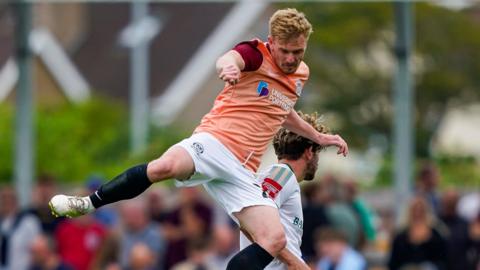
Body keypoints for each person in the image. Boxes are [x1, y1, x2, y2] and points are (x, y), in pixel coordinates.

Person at [49, 8, 348, 270]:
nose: (291, 58)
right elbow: (229, 58)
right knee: (163, 167)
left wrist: (317, 135)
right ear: (272, 42)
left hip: (244, 170)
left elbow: (283, 109)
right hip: (214, 142)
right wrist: (228, 66)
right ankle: (88, 203)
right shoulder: (256, 54)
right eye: (285, 50)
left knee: (274, 238)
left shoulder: (300, 75)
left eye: (298, 52)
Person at [239, 111, 330, 269]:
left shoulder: (282, 177)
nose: (317, 160)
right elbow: (250, 222)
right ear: (309, 152)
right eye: (317, 153)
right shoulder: (281, 175)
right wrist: (295, 263)